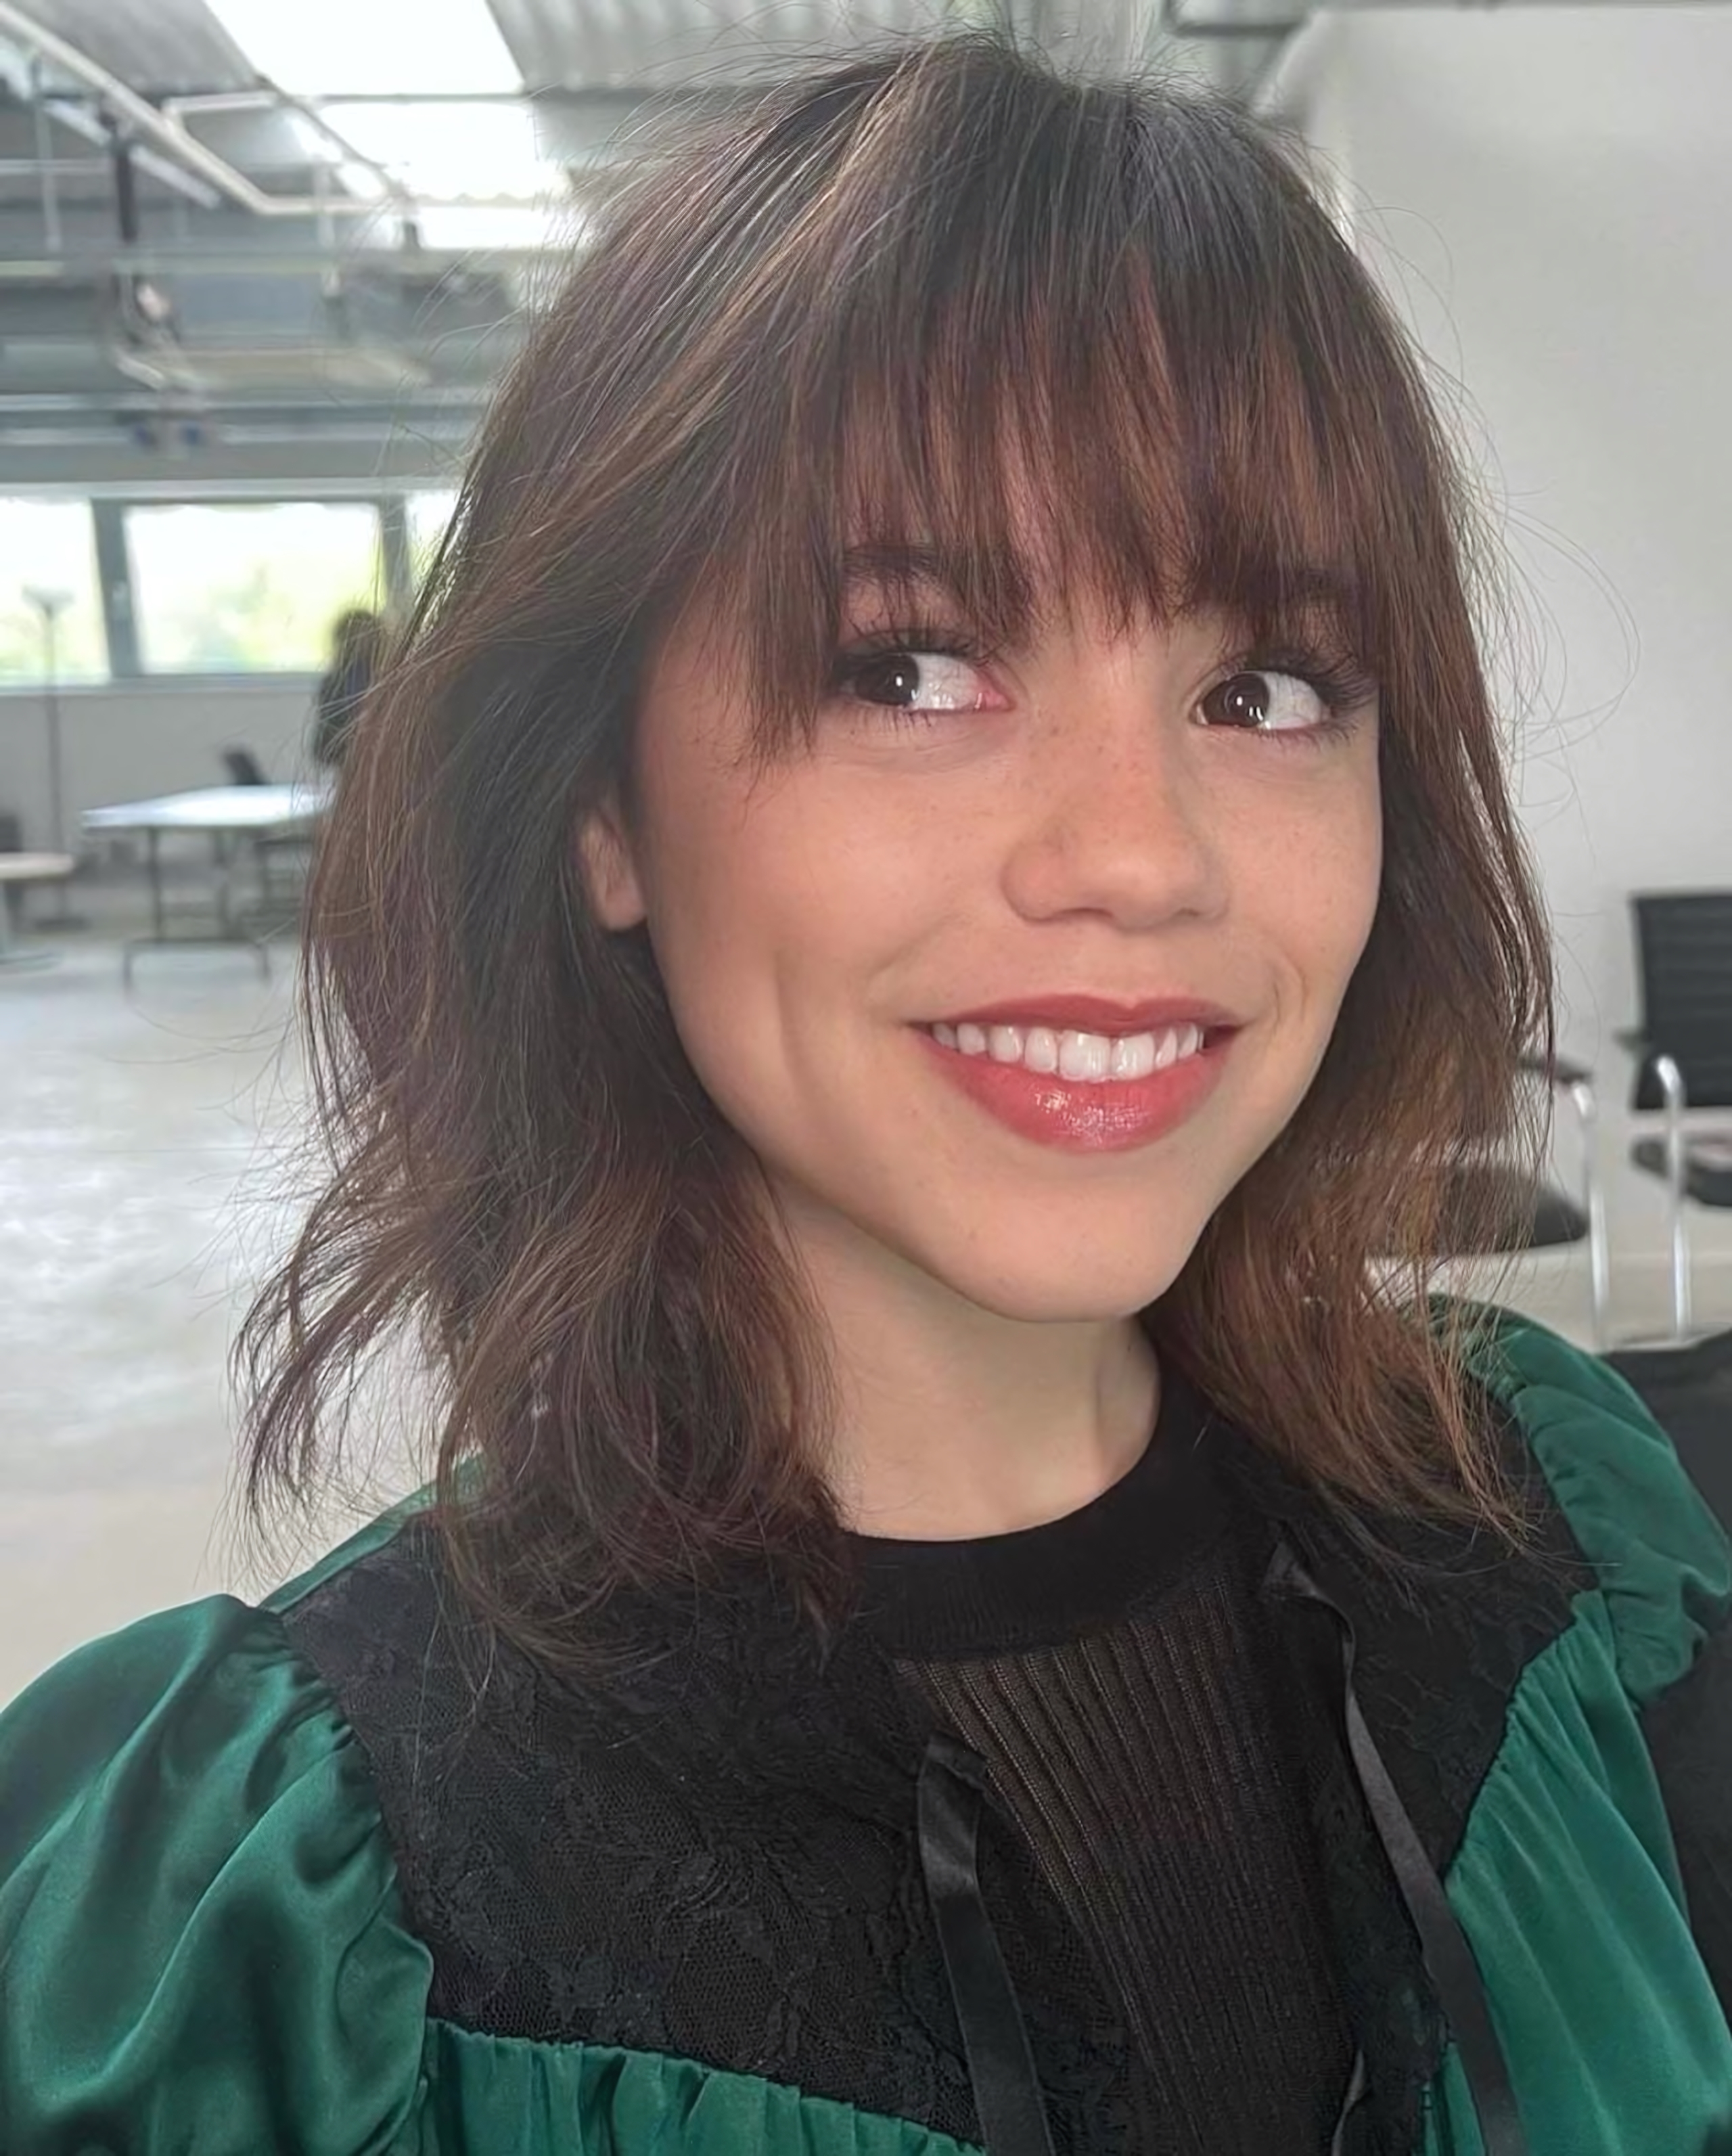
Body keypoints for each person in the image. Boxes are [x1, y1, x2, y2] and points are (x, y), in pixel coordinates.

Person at [1, 37, 1727, 2156]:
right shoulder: (270, 1933)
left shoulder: (1567, 1555)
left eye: (1263, 685)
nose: (1140, 855)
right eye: (911, 665)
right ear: (602, 807)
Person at [311, 604, 382, 767]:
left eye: (367, 636)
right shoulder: (334, 683)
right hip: (348, 762)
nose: (361, 642)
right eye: (356, 636)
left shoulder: (386, 678)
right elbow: (324, 744)